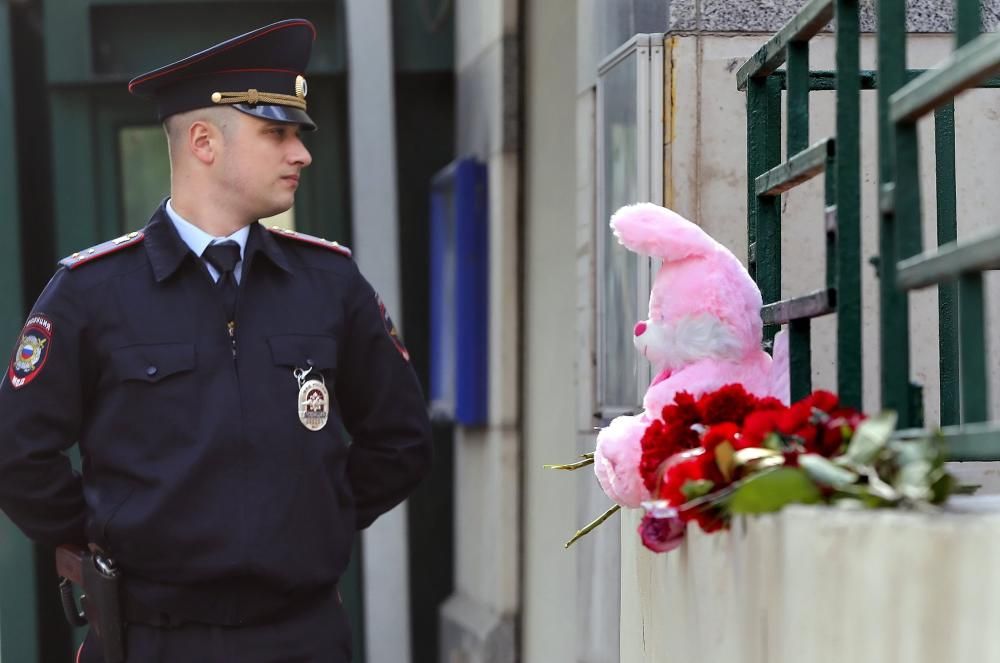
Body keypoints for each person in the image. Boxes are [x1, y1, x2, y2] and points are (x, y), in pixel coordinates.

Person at [0, 18, 432, 663]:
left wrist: (315, 518)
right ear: (204, 141)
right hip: (152, 640)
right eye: (276, 133)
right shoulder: (91, 292)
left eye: (299, 136)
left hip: (301, 635)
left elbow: (400, 440)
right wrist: (106, 535)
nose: (302, 154)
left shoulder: (329, 281)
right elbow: (18, 454)